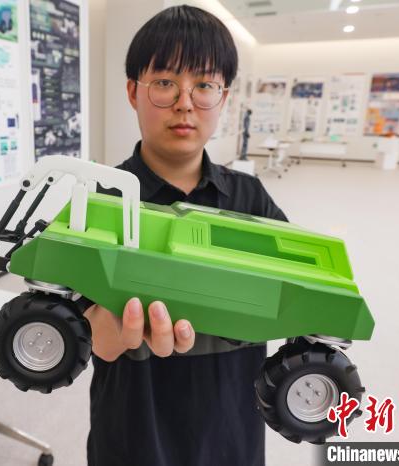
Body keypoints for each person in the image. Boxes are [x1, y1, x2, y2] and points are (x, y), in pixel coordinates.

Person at [79, 5, 288, 466]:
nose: (185, 103)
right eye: (165, 82)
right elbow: (80, 329)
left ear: (224, 97)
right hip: (133, 434)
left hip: (231, 431)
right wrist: (108, 329)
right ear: (133, 91)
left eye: (204, 85)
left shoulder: (251, 198)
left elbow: (289, 296)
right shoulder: (99, 200)